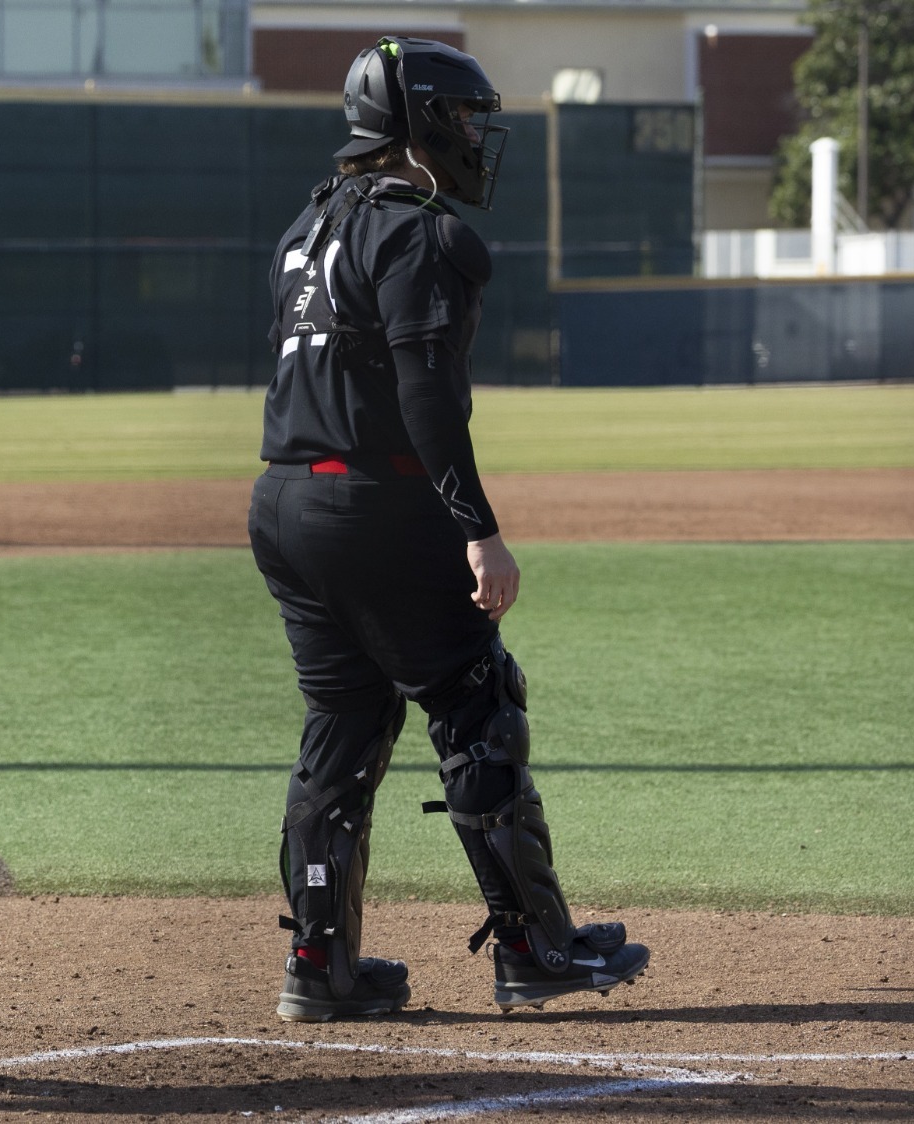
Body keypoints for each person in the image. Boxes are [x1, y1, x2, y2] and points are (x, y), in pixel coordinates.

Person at [249, 37, 649, 1022]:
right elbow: (427, 395)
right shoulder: (417, 232)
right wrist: (478, 528)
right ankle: (533, 946)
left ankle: (320, 961)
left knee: (341, 726)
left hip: (284, 504)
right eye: (463, 117)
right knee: (478, 707)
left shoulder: (305, 228)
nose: (475, 135)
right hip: (376, 504)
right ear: (419, 120)